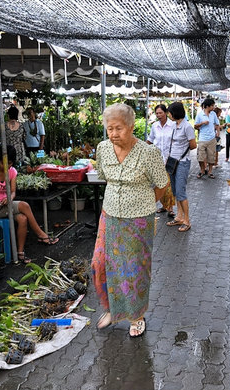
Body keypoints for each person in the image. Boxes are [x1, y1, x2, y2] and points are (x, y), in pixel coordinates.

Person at [91, 103, 169, 336]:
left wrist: (145, 205)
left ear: (132, 127)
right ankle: (111, 309)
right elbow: (104, 176)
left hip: (138, 220)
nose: (113, 134)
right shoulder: (103, 149)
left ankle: (136, 316)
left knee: (133, 269)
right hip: (110, 215)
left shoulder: (148, 153)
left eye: (119, 129)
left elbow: (162, 184)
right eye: (110, 128)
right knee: (100, 264)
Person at [0, 144, 58, 264]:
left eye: (10, 163)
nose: (7, 166)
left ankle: (20, 253)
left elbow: (12, 192)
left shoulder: (12, 172)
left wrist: (9, 198)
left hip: (4, 206)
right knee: (24, 206)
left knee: (23, 218)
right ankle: (41, 234)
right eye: (4, 163)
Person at [165, 101, 196, 232]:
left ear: (175, 113)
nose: (169, 115)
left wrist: (182, 152)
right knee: (175, 190)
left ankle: (187, 220)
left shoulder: (187, 127)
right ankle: (179, 216)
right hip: (172, 161)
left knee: (181, 192)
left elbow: (193, 145)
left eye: (170, 112)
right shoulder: (173, 125)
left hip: (182, 162)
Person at [147, 104, 176, 217]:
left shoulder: (172, 125)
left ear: (166, 113)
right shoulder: (155, 126)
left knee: (169, 184)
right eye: (157, 113)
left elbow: (176, 141)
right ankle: (164, 206)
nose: (159, 115)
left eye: (161, 113)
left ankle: (171, 208)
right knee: (160, 183)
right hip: (157, 160)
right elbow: (150, 139)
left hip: (170, 158)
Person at [194, 98, 220, 179]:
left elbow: (217, 124)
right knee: (200, 156)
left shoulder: (213, 114)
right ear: (207, 106)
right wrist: (202, 123)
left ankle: (210, 171)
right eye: (212, 106)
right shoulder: (200, 115)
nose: (213, 107)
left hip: (212, 138)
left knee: (211, 156)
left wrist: (218, 133)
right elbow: (195, 126)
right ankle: (202, 170)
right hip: (202, 138)